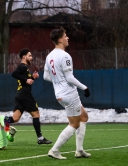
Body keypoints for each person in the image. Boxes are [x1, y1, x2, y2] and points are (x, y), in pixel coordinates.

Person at [43, 26, 91, 159]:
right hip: (69, 94)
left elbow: (46, 77)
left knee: (84, 116)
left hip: (59, 94)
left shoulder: (49, 56)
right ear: (60, 40)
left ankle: (79, 150)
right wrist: (85, 88)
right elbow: (70, 78)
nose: (67, 38)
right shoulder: (65, 56)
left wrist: (58, 81)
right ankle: (54, 150)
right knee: (74, 124)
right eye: (65, 36)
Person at [5, 48, 52, 145]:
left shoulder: (25, 68)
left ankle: (4, 121)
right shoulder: (22, 67)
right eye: (29, 55)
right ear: (24, 57)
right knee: (36, 114)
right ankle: (40, 138)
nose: (32, 58)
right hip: (25, 94)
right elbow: (14, 74)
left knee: (15, 118)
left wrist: (31, 78)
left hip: (20, 94)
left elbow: (24, 81)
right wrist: (27, 80)